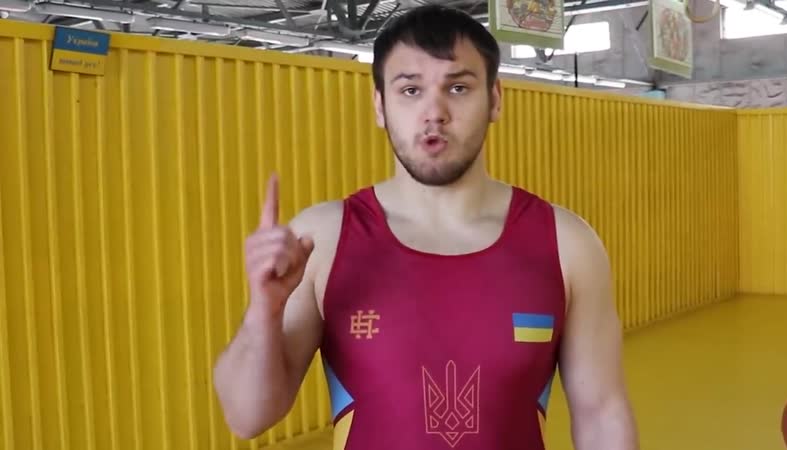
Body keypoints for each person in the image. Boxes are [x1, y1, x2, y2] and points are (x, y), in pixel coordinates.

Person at [213, 5, 639, 449]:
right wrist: (263, 312)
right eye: (411, 90)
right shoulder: (324, 239)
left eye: (458, 87)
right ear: (380, 106)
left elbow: (601, 415)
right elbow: (247, 416)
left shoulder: (565, 244)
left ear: (495, 99)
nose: (434, 112)